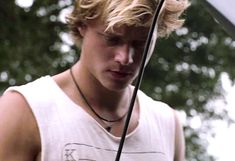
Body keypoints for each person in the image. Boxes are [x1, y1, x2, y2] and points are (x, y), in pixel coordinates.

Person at [0, 0, 189, 160]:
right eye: (112, 39)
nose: (125, 58)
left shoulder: (167, 123)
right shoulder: (23, 109)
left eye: (141, 43)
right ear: (82, 25)